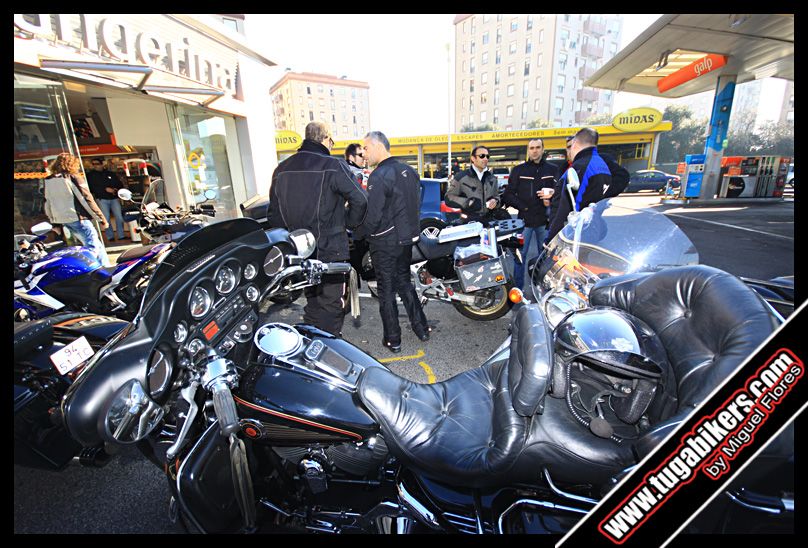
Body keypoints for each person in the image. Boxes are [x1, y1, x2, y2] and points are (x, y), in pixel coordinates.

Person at [268, 121, 368, 336]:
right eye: (331, 140)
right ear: (324, 139)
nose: (331, 144)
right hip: (330, 249)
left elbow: (274, 216)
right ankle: (325, 349)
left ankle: (311, 342)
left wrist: (290, 241)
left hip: (300, 252)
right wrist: (349, 223)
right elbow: (361, 199)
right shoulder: (333, 165)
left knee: (312, 299)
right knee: (332, 305)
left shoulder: (282, 169)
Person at [354, 131, 429, 353]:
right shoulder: (410, 170)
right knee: (405, 284)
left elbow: (373, 215)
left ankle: (393, 339)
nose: (364, 154)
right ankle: (422, 328)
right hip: (405, 241)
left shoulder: (380, 175)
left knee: (386, 291)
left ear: (378, 146)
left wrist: (359, 234)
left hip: (384, 242)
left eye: (366, 148)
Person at [502, 138, 559, 290]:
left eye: (538, 147)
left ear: (543, 149)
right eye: (532, 148)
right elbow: (508, 195)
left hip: (545, 221)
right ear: (528, 150)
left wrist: (552, 197)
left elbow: (561, 193)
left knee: (546, 258)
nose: (534, 150)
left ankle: (543, 290)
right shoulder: (519, 170)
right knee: (519, 257)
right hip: (524, 222)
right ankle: (518, 291)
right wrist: (524, 207)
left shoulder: (553, 170)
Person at [43, 152, 110, 265]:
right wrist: (101, 218)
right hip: (78, 217)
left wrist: (54, 223)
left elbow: (48, 202)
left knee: (95, 244)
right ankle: (100, 270)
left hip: (63, 219)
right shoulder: (73, 178)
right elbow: (87, 198)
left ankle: (106, 267)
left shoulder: (49, 180)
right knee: (92, 247)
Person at [547, 127, 613, 241]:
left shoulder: (580, 167)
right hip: (592, 230)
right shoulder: (602, 165)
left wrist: (550, 240)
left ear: (575, 143)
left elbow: (565, 208)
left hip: (574, 236)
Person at [444, 145, 509, 222]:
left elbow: (496, 196)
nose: (485, 159)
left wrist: (495, 201)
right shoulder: (461, 177)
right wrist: (468, 202)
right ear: (473, 158)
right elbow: (449, 198)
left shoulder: (492, 178)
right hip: (468, 223)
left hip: (489, 222)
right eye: (482, 156)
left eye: (487, 156)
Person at [86, 157, 126, 241]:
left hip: (113, 197)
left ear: (101, 164)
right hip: (102, 198)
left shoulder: (110, 173)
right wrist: (104, 189)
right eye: (93, 164)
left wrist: (115, 189)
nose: (95, 166)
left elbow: (119, 184)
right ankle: (110, 236)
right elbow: (92, 188)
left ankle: (121, 235)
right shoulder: (90, 175)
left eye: (97, 164)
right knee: (106, 218)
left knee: (119, 217)